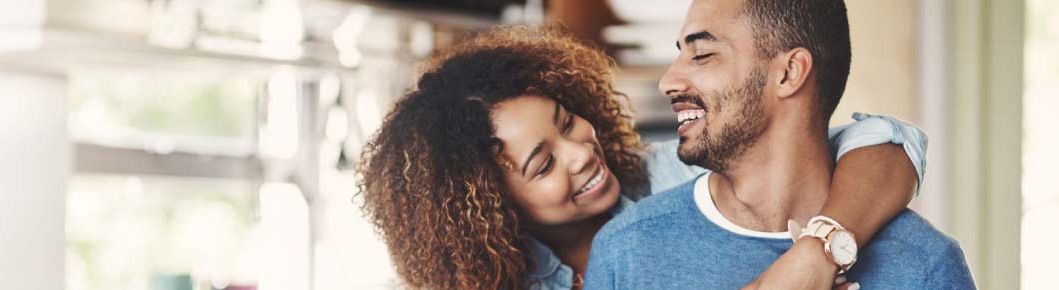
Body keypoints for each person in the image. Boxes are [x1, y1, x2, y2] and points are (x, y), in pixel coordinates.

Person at [357, 26, 927, 290]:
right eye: (543, 164)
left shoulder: (676, 173)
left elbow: (886, 139)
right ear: (489, 206)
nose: (581, 153)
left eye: (566, 122)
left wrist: (815, 253)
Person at [583, 0, 975, 289]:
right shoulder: (625, 253)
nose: (668, 81)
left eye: (702, 55)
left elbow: (892, 140)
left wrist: (817, 251)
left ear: (789, 73)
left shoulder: (926, 266)